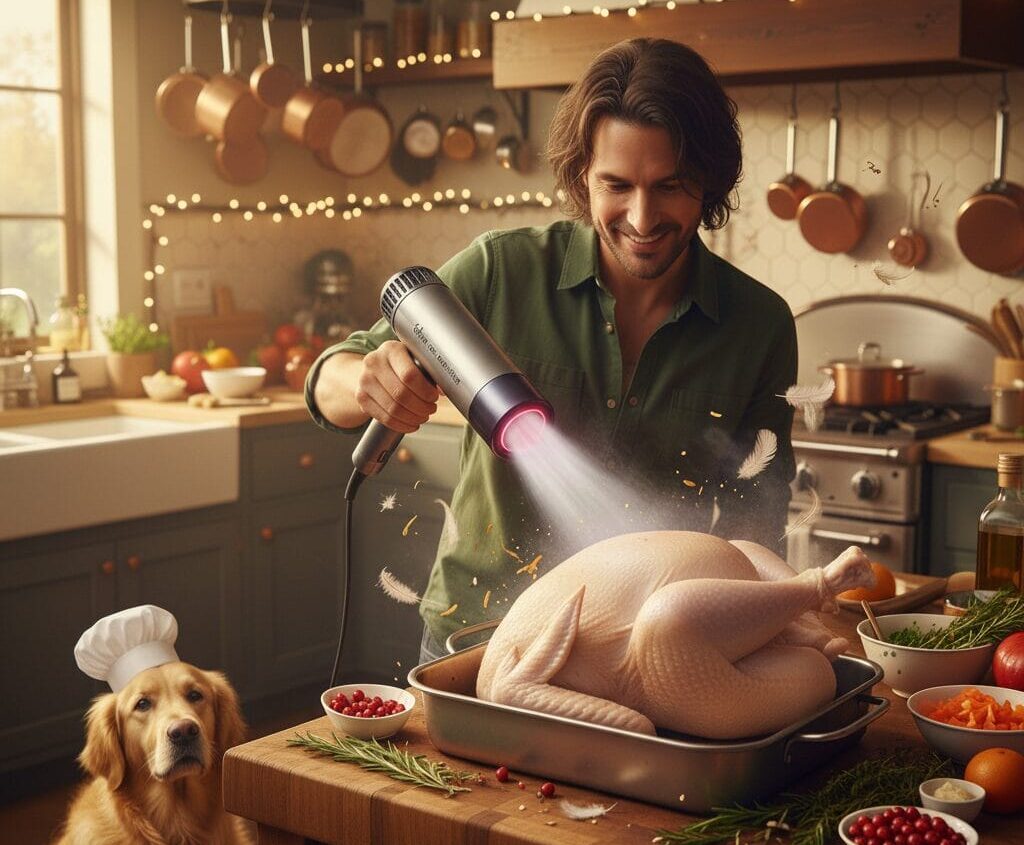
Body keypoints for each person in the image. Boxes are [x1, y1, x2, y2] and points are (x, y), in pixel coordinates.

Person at [306, 38, 798, 665]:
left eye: (670, 186)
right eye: (616, 185)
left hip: (644, 655)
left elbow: (758, 521)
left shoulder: (759, 325)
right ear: (581, 176)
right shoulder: (499, 272)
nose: (642, 217)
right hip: (473, 637)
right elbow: (328, 379)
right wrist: (366, 381)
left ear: (709, 179)